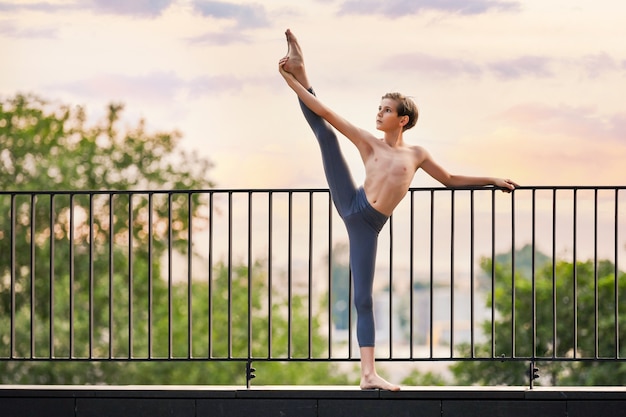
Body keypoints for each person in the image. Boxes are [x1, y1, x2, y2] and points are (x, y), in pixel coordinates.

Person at [278, 29, 517, 391]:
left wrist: (492, 180)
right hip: (352, 202)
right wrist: (292, 80)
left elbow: (450, 178)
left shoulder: (416, 154)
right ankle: (302, 67)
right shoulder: (367, 142)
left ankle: (367, 374)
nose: (379, 113)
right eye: (379, 108)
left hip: (368, 225)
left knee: (363, 297)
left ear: (402, 119)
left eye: (386, 110)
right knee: (326, 135)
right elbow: (324, 111)